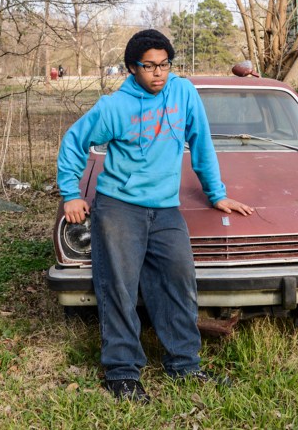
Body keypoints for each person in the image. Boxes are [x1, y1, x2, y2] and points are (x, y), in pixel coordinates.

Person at [56, 29, 253, 402]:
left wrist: (217, 194)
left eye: (164, 65)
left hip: (165, 208)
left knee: (178, 283)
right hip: (119, 207)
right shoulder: (114, 108)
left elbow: (202, 143)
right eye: (149, 67)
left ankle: (184, 366)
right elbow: (73, 143)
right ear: (133, 68)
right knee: (119, 288)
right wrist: (70, 194)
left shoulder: (184, 93)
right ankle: (122, 373)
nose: (158, 74)